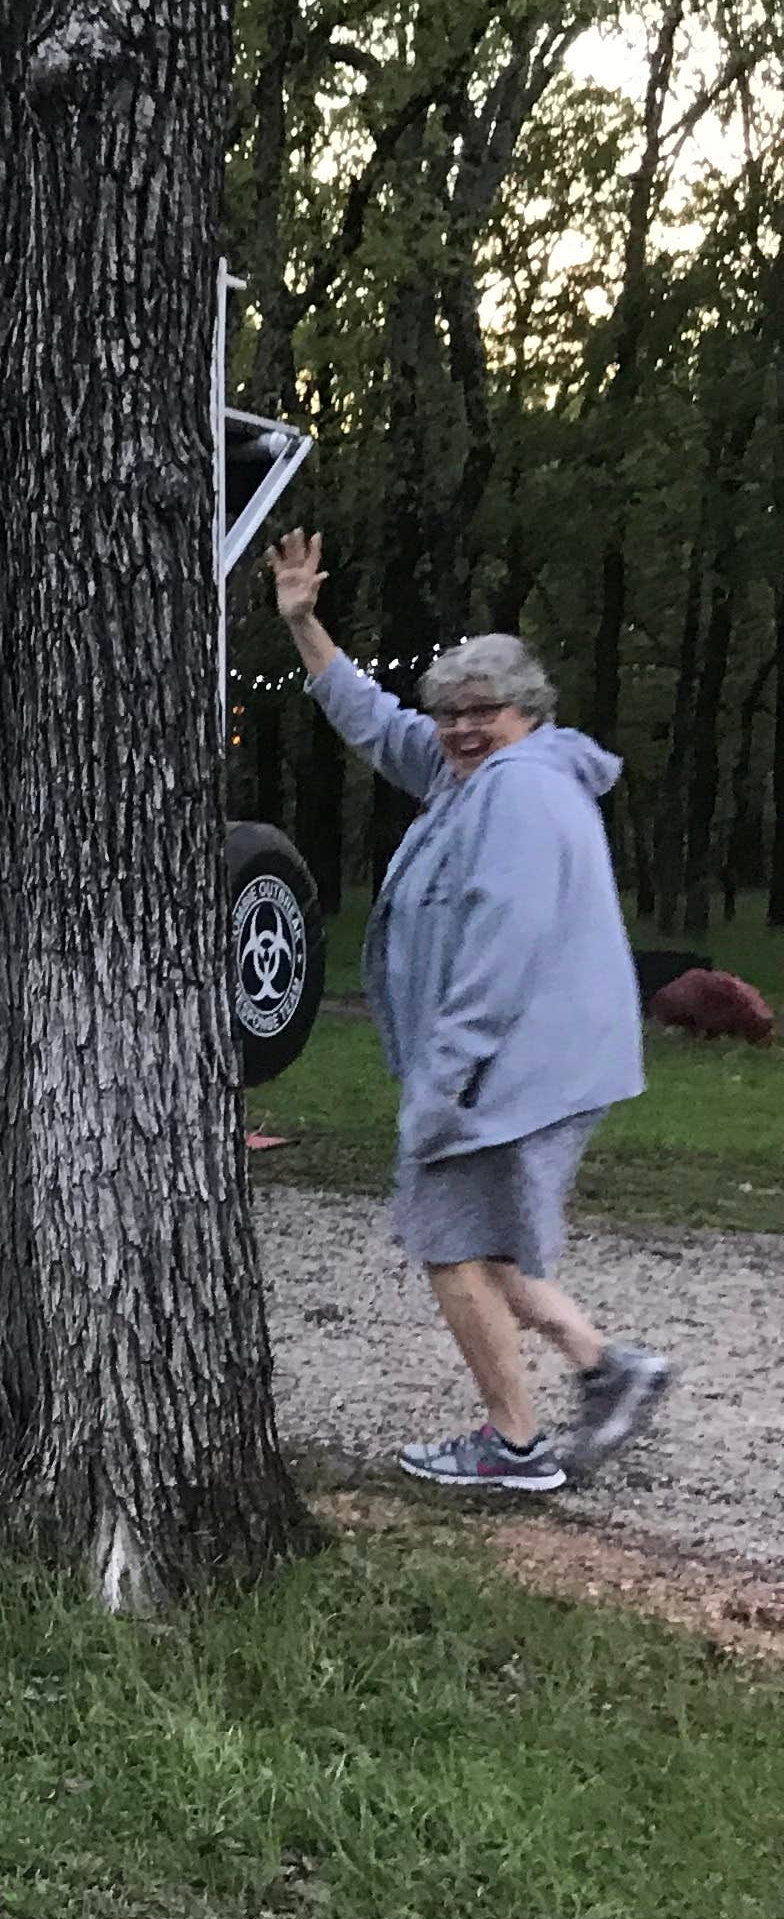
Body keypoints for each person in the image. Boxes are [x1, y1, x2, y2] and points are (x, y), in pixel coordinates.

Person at [270, 531, 672, 1487]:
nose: (459, 727)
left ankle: (513, 1447)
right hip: (532, 1065)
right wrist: (302, 622)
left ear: (527, 713)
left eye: (482, 711)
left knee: (450, 1246)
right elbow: (376, 724)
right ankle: (611, 1368)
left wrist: (441, 1086)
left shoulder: (520, 795)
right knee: (485, 1237)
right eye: (449, 712)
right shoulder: (472, 778)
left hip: (509, 1067)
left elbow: (499, 954)